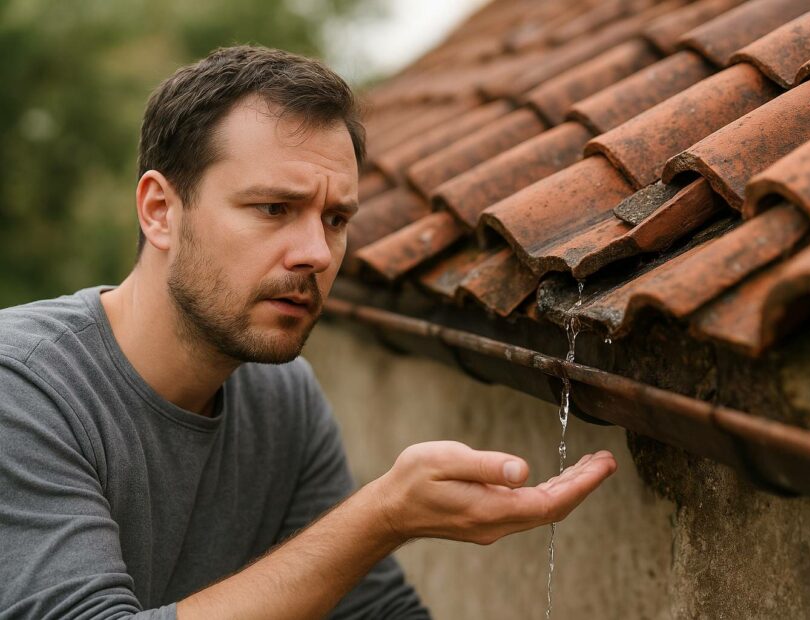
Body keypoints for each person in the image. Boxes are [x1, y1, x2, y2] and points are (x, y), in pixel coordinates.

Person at [0, 45, 618, 619]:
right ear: (160, 211)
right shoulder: (23, 386)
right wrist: (382, 515)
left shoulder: (283, 397)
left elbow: (373, 613)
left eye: (336, 218)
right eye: (274, 209)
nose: (317, 253)